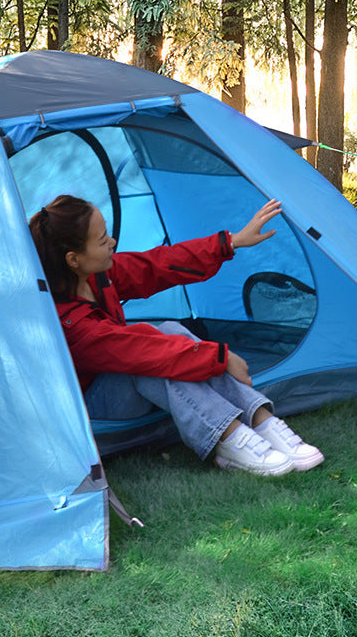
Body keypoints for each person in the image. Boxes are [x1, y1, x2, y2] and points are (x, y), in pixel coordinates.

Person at [29, 194, 324, 476]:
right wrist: (221, 357)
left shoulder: (94, 276)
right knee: (150, 360)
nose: (113, 242)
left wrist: (230, 242)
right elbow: (139, 352)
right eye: (103, 238)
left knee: (168, 330)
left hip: (122, 374)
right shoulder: (69, 323)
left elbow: (157, 265)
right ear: (73, 259)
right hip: (95, 409)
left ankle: (261, 420)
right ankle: (227, 437)